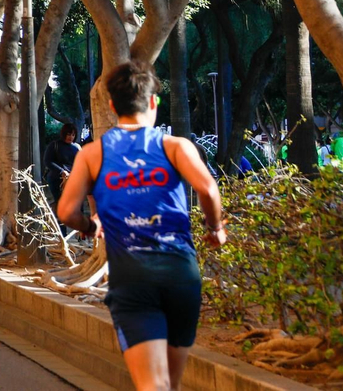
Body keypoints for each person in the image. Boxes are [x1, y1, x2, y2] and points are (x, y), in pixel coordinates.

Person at [58, 60, 226, 391]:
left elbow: (66, 210)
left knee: (153, 385)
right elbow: (207, 188)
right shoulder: (175, 147)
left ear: (111, 106)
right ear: (153, 102)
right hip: (181, 275)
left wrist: (91, 227)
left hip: (132, 279)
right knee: (170, 384)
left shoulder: (92, 154)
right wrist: (214, 227)